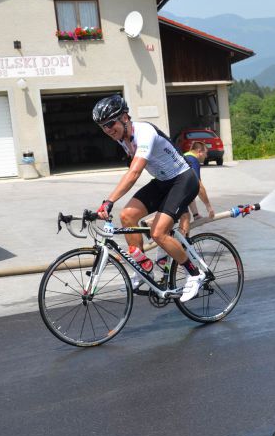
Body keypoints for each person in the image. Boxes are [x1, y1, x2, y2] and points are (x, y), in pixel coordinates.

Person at [92, 95, 205, 302]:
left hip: (183, 180)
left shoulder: (145, 132)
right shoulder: (122, 139)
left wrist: (109, 201)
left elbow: (134, 173)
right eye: (102, 127)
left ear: (125, 117)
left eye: (110, 123)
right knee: (127, 216)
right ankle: (143, 270)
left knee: (158, 233)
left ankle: (194, 274)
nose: (108, 130)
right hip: (163, 182)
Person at [180, 140, 215, 233]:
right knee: (184, 217)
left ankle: (180, 243)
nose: (206, 156)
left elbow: (190, 190)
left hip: (169, 189)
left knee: (185, 216)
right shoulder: (193, 160)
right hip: (169, 190)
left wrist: (196, 214)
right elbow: (199, 186)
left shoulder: (186, 156)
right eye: (205, 153)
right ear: (199, 151)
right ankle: (180, 246)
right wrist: (209, 206)